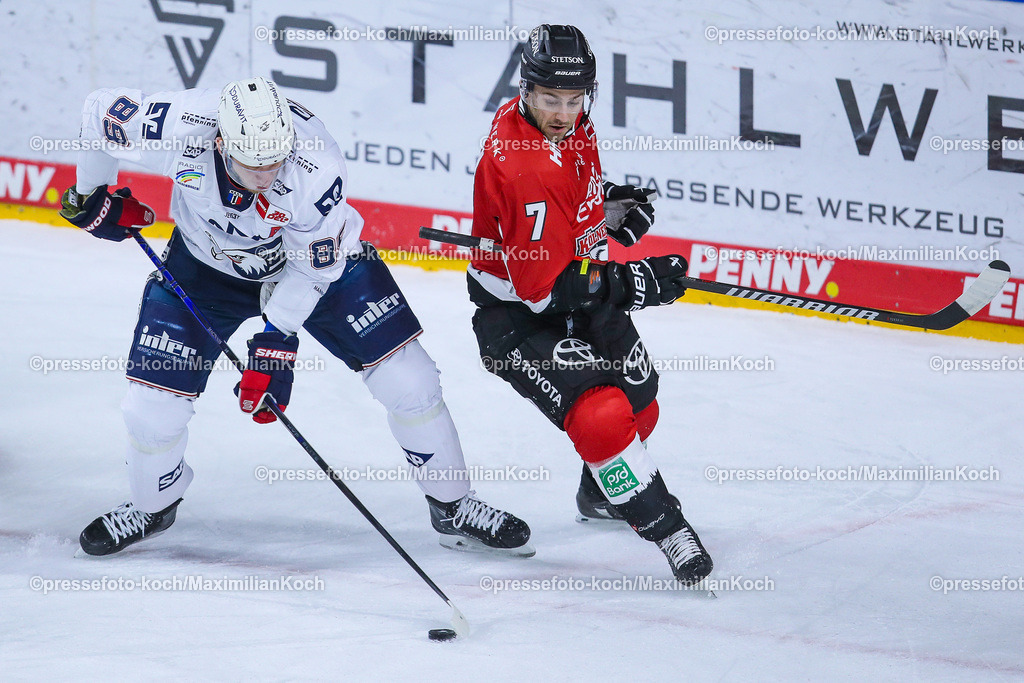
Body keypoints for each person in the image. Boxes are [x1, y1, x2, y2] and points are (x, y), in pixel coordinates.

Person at [60, 77, 532, 557]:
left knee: (411, 380)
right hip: (204, 267)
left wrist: (276, 339)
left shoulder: (315, 165)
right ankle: (151, 505)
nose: (267, 174)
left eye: (274, 160)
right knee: (150, 409)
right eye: (252, 164)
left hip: (314, 269)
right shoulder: (180, 126)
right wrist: (89, 195)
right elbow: (98, 113)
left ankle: (454, 506)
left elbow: (312, 268)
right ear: (220, 143)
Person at [468, 25, 712, 584]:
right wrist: (635, 283)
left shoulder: (564, 126)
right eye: (551, 99)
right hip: (519, 317)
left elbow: (568, 196)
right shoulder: (522, 164)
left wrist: (608, 209)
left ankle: (601, 490)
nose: (564, 112)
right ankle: (668, 528)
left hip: (578, 290)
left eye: (576, 99)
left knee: (639, 401)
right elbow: (542, 289)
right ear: (525, 89)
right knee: (602, 414)